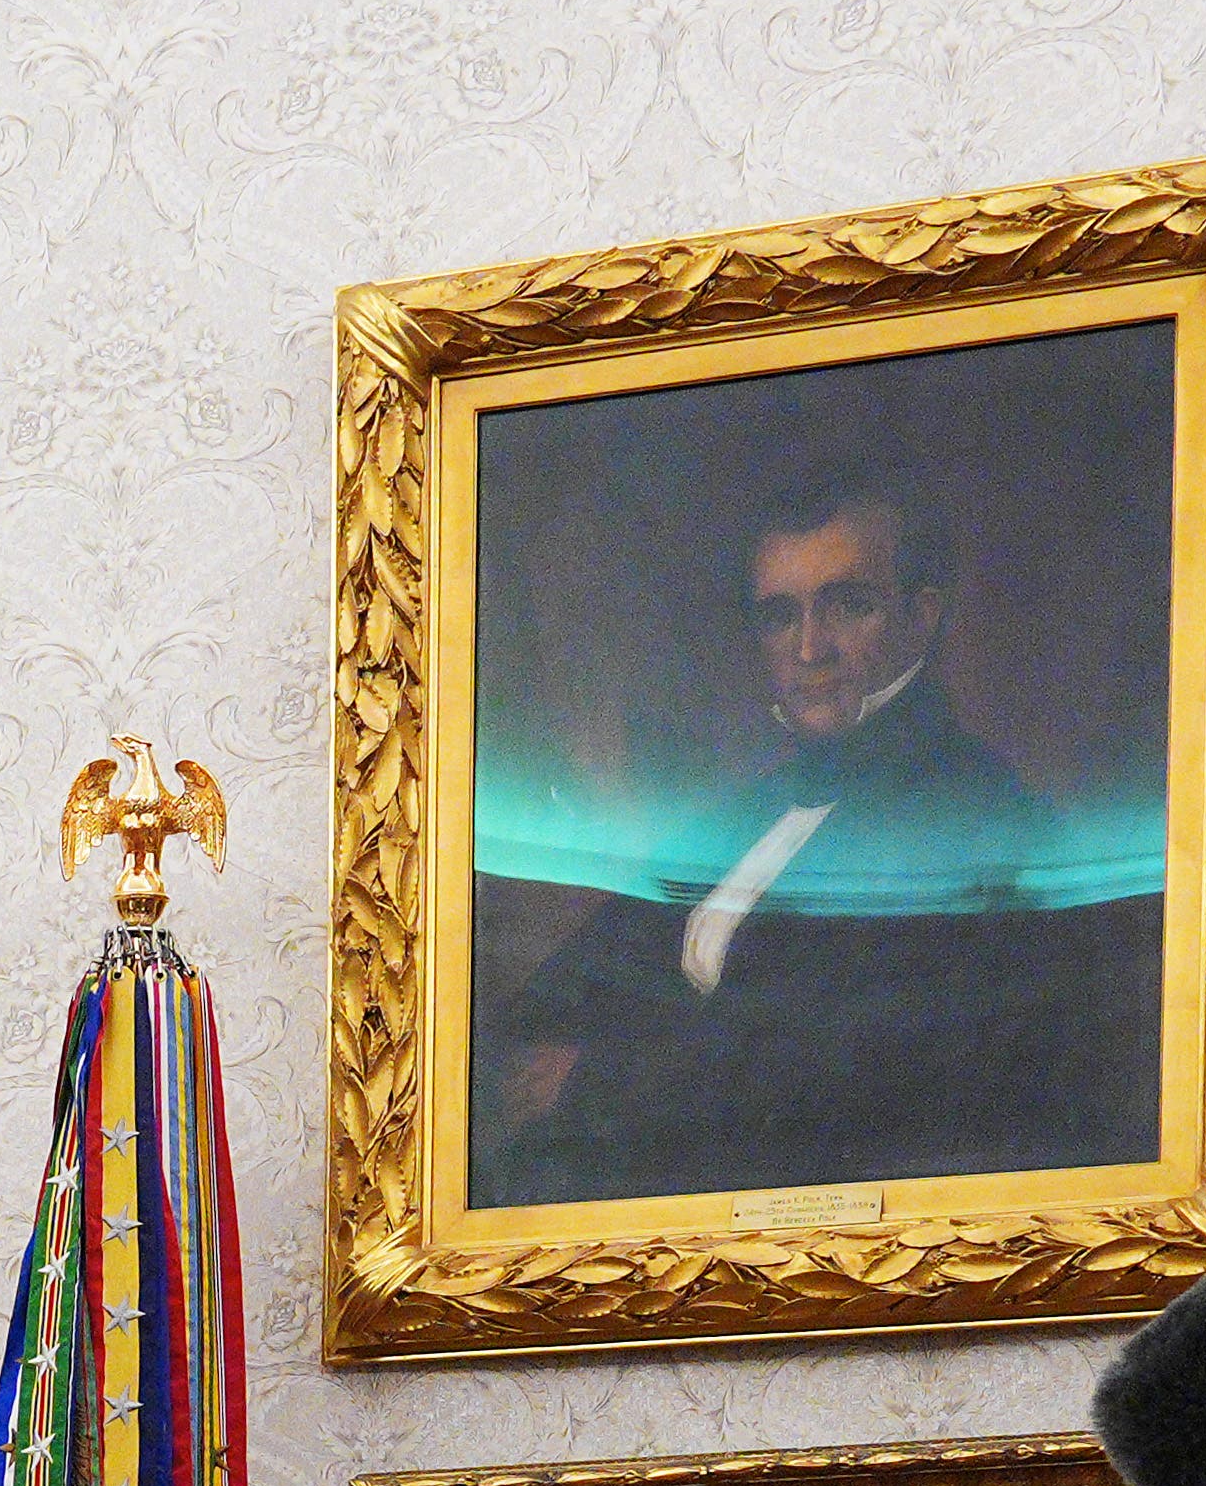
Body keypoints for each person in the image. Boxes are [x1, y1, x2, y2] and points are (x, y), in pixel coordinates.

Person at [475, 473, 1155, 1206]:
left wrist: (592, 1081)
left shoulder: (977, 821)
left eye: (847, 606)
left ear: (920, 619)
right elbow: (561, 995)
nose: (808, 649)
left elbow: (828, 1072)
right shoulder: (750, 814)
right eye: (778, 616)